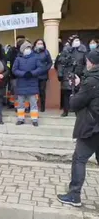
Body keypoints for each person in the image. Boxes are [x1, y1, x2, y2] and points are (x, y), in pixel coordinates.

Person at [57, 49, 99, 207]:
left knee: (79, 159)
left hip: (92, 127)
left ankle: (74, 195)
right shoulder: (92, 80)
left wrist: (75, 92)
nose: (86, 63)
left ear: (91, 63)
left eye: (87, 61)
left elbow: (75, 103)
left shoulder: (92, 81)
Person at [12, 41, 44, 127]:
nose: (28, 50)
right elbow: (14, 70)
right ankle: (20, 119)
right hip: (21, 84)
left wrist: (32, 73)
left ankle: (34, 119)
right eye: (26, 48)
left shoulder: (35, 58)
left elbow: (40, 68)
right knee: (21, 104)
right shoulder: (18, 59)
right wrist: (23, 74)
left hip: (32, 84)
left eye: (29, 48)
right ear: (22, 50)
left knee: (33, 103)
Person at [6, 35, 26, 109]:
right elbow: (8, 61)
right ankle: (15, 105)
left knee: (23, 91)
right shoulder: (12, 50)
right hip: (14, 75)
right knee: (15, 91)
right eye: (19, 40)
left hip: (24, 75)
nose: (20, 42)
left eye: (22, 41)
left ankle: (23, 106)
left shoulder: (26, 51)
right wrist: (9, 72)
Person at [33, 39, 53, 112]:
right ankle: (33, 106)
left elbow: (50, 62)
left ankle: (42, 107)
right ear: (35, 44)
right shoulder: (32, 52)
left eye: (41, 43)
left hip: (43, 75)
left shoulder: (46, 52)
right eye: (38, 43)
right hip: (34, 75)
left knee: (42, 91)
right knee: (33, 92)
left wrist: (45, 69)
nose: (40, 44)